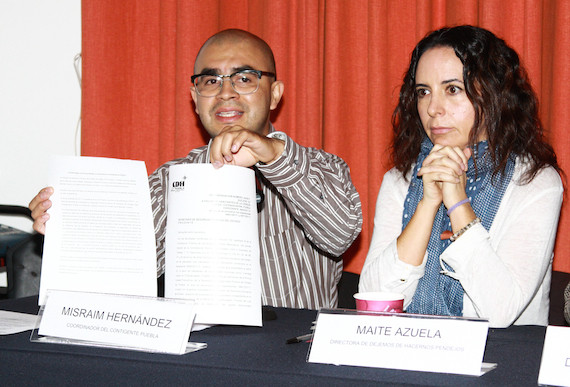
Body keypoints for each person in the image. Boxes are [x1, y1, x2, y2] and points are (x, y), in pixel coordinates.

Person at [29, 29, 362, 310]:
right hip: (194, 357)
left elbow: (340, 235)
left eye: (245, 78)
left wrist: (274, 157)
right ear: (195, 97)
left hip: (290, 360)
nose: (226, 92)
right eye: (211, 81)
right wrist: (70, 232)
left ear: (274, 94)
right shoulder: (166, 182)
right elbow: (128, 269)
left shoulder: (320, 168)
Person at [359, 25, 563, 328]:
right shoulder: (401, 179)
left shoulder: (534, 181)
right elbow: (373, 301)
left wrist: (456, 200)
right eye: (423, 92)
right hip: (407, 356)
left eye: (453, 89)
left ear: (494, 93)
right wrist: (428, 204)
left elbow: (500, 312)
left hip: (504, 363)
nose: (433, 108)